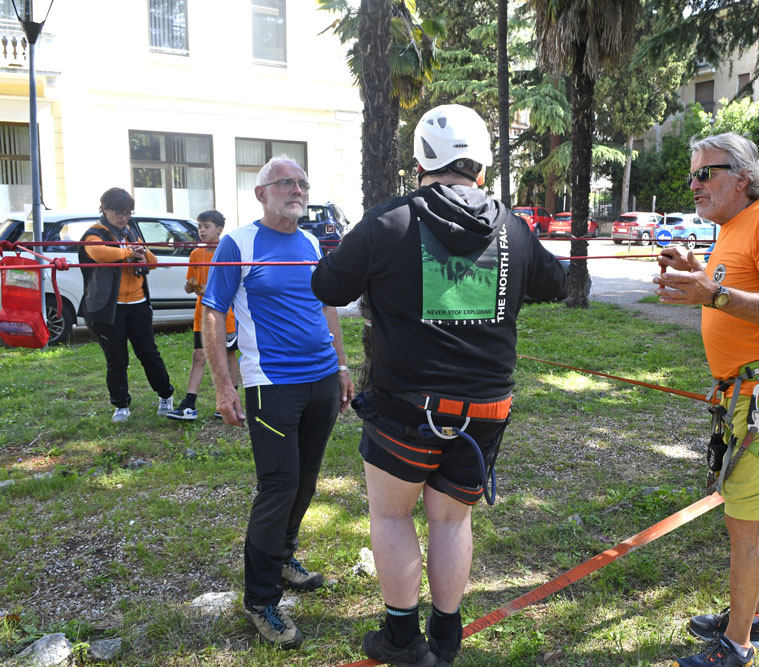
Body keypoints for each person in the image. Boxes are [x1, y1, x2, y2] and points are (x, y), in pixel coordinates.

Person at [312, 104, 567, 667]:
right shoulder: (513, 229)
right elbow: (556, 283)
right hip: (486, 410)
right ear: (482, 163)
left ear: (421, 159)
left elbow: (326, 284)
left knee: (392, 514)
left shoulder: (387, 223)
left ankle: (402, 638)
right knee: (452, 518)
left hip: (409, 408)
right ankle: (446, 638)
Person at [654, 133, 759, 667]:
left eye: (706, 173)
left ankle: (738, 646)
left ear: (742, 175)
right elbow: (725, 291)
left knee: (744, 523)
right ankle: (756, 620)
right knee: (746, 514)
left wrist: (713, 293)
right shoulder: (731, 228)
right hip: (748, 394)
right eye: (692, 175)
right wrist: (697, 271)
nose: (694, 185)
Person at [200, 157, 355, 649]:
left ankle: (285, 557)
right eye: (286, 182)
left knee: (306, 479)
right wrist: (223, 387)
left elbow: (326, 305)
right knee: (279, 486)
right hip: (271, 385)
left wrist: (344, 364)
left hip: (322, 381)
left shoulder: (310, 243)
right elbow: (212, 313)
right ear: (261, 193)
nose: (297, 189)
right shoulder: (237, 243)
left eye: (303, 183)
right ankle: (260, 599)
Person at [79, 187, 174, 422]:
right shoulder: (94, 233)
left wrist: (142, 254)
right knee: (117, 358)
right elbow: (98, 252)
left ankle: (165, 395)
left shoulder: (130, 232)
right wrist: (128, 253)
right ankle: (120, 405)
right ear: (104, 209)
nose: (123, 218)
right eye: (118, 213)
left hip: (138, 304)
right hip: (109, 308)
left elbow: (152, 262)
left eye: (127, 213)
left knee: (149, 353)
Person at [165, 210, 240, 421]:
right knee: (199, 356)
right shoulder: (195, 255)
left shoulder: (228, 252)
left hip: (226, 316)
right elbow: (193, 283)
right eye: (200, 227)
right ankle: (189, 403)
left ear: (219, 229)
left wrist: (210, 289)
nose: (202, 231)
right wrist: (191, 287)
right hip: (202, 315)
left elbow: (234, 285)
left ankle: (231, 398)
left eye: (206, 226)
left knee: (229, 355)